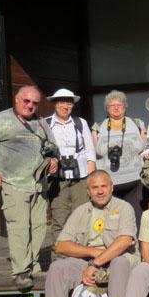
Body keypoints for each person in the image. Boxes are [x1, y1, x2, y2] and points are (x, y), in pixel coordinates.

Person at [33, 170, 138, 297]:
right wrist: (91, 254)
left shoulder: (124, 207)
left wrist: (96, 263)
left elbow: (125, 241)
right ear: (88, 191)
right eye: (95, 187)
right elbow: (61, 245)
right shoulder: (81, 211)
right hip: (89, 260)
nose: (100, 191)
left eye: (104, 186)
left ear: (112, 187)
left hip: (119, 258)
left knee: (119, 263)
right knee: (57, 268)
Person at [0, 85, 58, 290]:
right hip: (13, 183)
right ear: (17, 99)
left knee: (38, 226)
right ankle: (20, 272)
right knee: (19, 227)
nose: (30, 106)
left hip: (39, 184)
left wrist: (54, 160)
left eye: (35, 103)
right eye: (26, 101)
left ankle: (33, 266)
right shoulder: (1, 120)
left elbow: (53, 147)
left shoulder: (40, 122)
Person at [44, 88, 96, 254]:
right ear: (55, 104)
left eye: (69, 103)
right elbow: (41, 150)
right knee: (59, 218)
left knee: (82, 217)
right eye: (62, 102)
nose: (66, 106)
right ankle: (59, 256)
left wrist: (90, 176)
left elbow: (90, 150)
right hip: (57, 179)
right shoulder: (45, 124)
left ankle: (81, 254)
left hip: (80, 177)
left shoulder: (80, 123)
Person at [92, 90, 147, 227]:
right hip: (109, 183)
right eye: (112, 105)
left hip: (134, 181)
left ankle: (137, 240)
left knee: (136, 215)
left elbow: (144, 147)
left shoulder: (137, 123)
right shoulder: (98, 127)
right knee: (113, 218)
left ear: (125, 107)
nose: (116, 108)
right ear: (107, 108)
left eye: (119, 104)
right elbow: (95, 152)